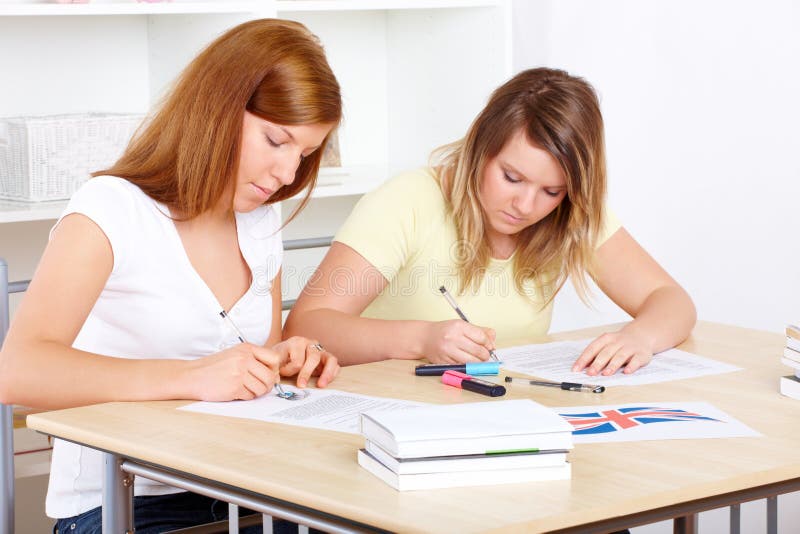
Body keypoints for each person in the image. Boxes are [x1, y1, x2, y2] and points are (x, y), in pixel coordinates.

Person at [0, 19, 341, 534]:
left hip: (243, 487)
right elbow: (18, 371)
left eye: (305, 154)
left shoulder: (260, 224)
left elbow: (252, 365)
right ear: (219, 108)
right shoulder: (112, 209)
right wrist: (190, 377)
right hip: (125, 501)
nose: (287, 175)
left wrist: (281, 361)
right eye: (276, 140)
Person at [284, 67, 696, 376]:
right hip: (392, 420)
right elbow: (305, 326)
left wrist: (638, 338)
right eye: (511, 178)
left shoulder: (573, 217)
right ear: (481, 148)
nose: (525, 205)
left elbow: (671, 300)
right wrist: (423, 339)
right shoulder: (408, 200)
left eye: (551, 191)